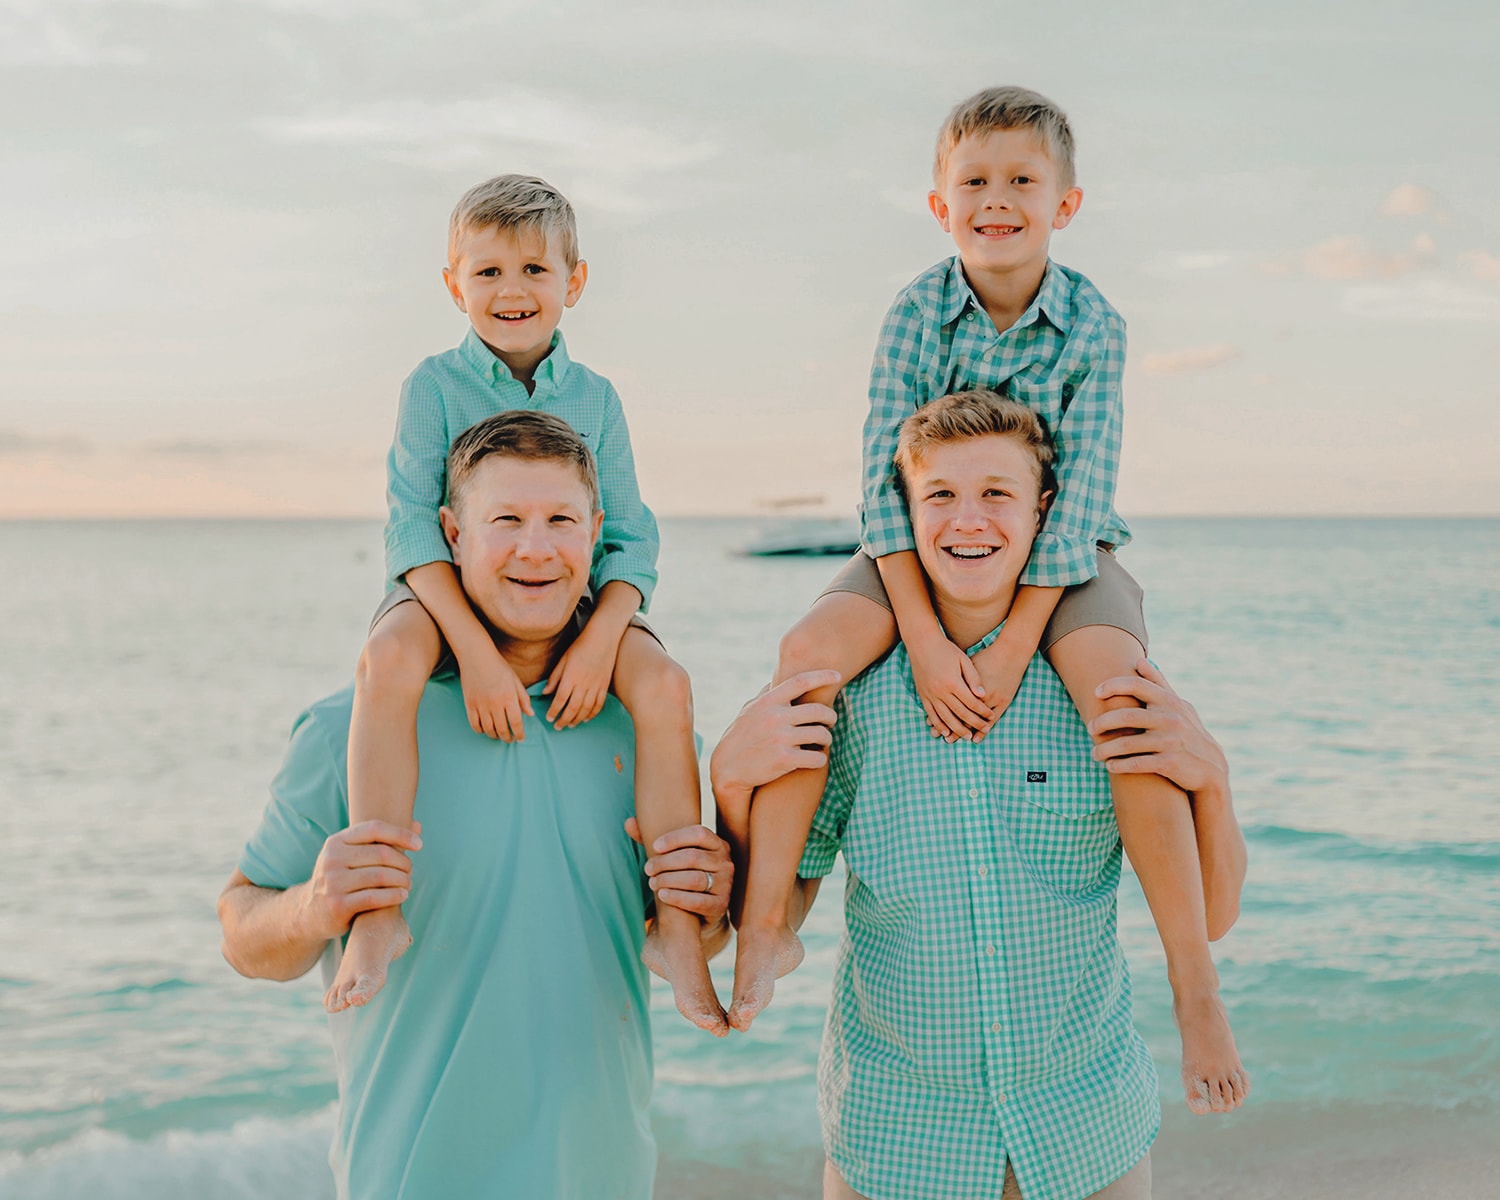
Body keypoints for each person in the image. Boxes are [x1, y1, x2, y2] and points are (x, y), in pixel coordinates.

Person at [730, 86, 1247, 1118]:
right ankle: (766, 925)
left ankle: (1195, 988)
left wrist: (1012, 652)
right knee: (807, 649)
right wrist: (922, 640)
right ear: (939, 204)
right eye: (975, 182)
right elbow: (887, 490)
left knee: (1123, 704)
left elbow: (1082, 498)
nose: (997, 199)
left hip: (1063, 552)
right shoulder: (917, 311)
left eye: (1023, 181)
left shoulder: (1094, 324)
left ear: (1067, 203)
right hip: (915, 549)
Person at [714, 391, 1248, 1199]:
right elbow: (780, 907)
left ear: (1043, 511)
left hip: (1085, 1129)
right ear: (904, 516)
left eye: (997, 494)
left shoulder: (1105, 691)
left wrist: (1214, 779)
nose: (970, 522)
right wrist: (728, 784)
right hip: (894, 1133)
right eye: (941, 497)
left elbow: (1212, 913)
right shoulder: (849, 693)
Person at [218, 412, 734, 1199]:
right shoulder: (347, 732)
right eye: (505, 522)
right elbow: (243, 932)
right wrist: (313, 909)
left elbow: (685, 934)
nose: (536, 548)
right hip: (409, 1177)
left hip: (603, 1178)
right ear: (451, 536)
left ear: (597, 534)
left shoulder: (649, 733)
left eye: (561, 520)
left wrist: (711, 905)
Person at [332, 174, 722, 1034]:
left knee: (664, 687)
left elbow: (629, 539)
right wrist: (471, 653)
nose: (512, 293)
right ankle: (376, 911)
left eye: (535, 270)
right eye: (489, 273)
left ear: (573, 282)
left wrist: (599, 643)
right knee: (386, 662)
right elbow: (412, 533)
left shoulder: (597, 400)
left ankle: (678, 928)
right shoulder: (432, 387)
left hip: (581, 602)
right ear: (453, 284)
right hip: (443, 595)